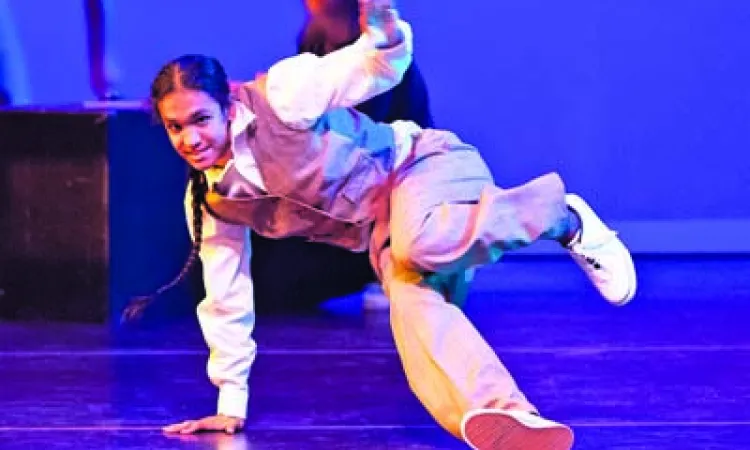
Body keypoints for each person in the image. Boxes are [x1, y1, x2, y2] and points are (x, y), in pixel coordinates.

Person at [126, 1, 637, 448]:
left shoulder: (281, 95)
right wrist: (230, 401)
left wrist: (383, 26)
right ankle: (509, 415)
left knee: (422, 244)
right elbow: (227, 296)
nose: (190, 139)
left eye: (201, 119)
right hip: (386, 231)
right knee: (416, 318)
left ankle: (559, 213)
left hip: (420, 166)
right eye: (175, 127)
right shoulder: (213, 200)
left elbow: (378, 64)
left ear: (228, 103)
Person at [244, 0, 436, 313]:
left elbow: (350, 145)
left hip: (379, 207)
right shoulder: (315, 39)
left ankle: (393, 266)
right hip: (338, 202)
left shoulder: (380, 55)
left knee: (273, 283)